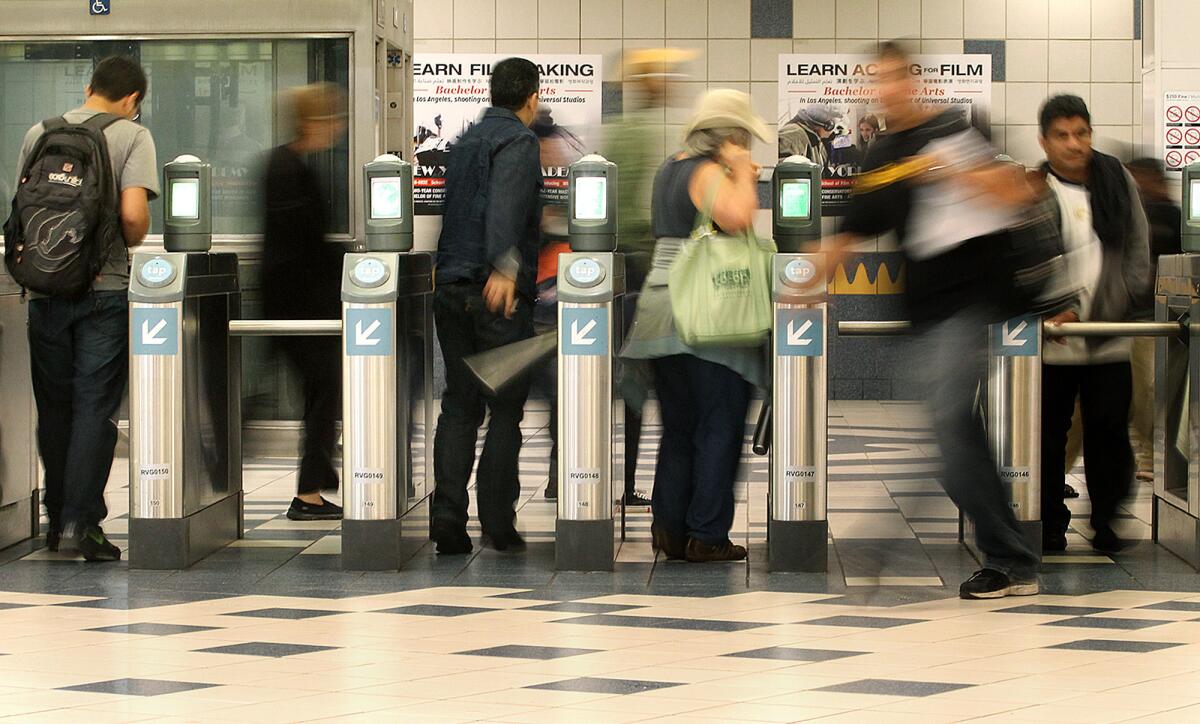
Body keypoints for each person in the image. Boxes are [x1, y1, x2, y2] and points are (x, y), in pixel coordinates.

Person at [826, 42, 1042, 598]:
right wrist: (803, 285)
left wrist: (951, 168)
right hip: (924, 312)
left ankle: (883, 540)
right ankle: (1011, 557)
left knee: (946, 421)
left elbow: (1016, 191)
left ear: (914, 80)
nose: (886, 88)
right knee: (953, 440)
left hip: (973, 303)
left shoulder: (952, 128)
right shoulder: (881, 153)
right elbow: (852, 228)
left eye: (895, 76)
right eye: (875, 79)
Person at [14, 56, 158, 560]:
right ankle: (85, 524)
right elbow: (134, 217)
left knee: (54, 407)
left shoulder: (40, 132)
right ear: (133, 99)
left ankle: (55, 520)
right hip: (104, 292)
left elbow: (23, 208)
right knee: (94, 408)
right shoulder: (131, 136)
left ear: (88, 86)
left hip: (45, 292)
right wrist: (123, 242)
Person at [623, 89, 768, 563]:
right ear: (730, 138)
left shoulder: (669, 167)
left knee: (679, 428)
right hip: (707, 315)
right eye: (744, 138)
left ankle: (670, 529)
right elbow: (737, 216)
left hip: (662, 310)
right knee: (719, 425)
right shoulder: (707, 171)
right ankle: (707, 534)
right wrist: (743, 174)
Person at [431, 57, 542, 554]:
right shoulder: (519, 141)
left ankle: (448, 522)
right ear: (531, 98)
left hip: (451, 286)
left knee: (458, 406)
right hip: (493, 293)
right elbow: (504, 205)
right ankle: (497, 523)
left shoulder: (466, 140)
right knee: (503, 411)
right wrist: (504, 265)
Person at [1038, 95, 1152, 555]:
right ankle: (1049, 521)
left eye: (1082, 133)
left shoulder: (1115, 178)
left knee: (1109, 428)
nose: (1075, 144)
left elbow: (1137, 247)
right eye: (1063, 136)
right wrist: (1049, 311)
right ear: (1044, 141)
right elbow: (1028, 259)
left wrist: (1122, 304)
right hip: (1053, 337)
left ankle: (1106, 518)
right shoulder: (1036, 187)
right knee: (1048, 433)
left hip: (1106, 333)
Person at [260, 82, 348, 521]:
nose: (339, 126)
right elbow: (303, 242)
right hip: (299, 307)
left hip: (290, 303)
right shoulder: (292, 170)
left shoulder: (285, 164)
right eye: (333, 118)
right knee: (322, 393)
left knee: (321, 393)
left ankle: (316, 479)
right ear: (315, 121)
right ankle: (309, 491)